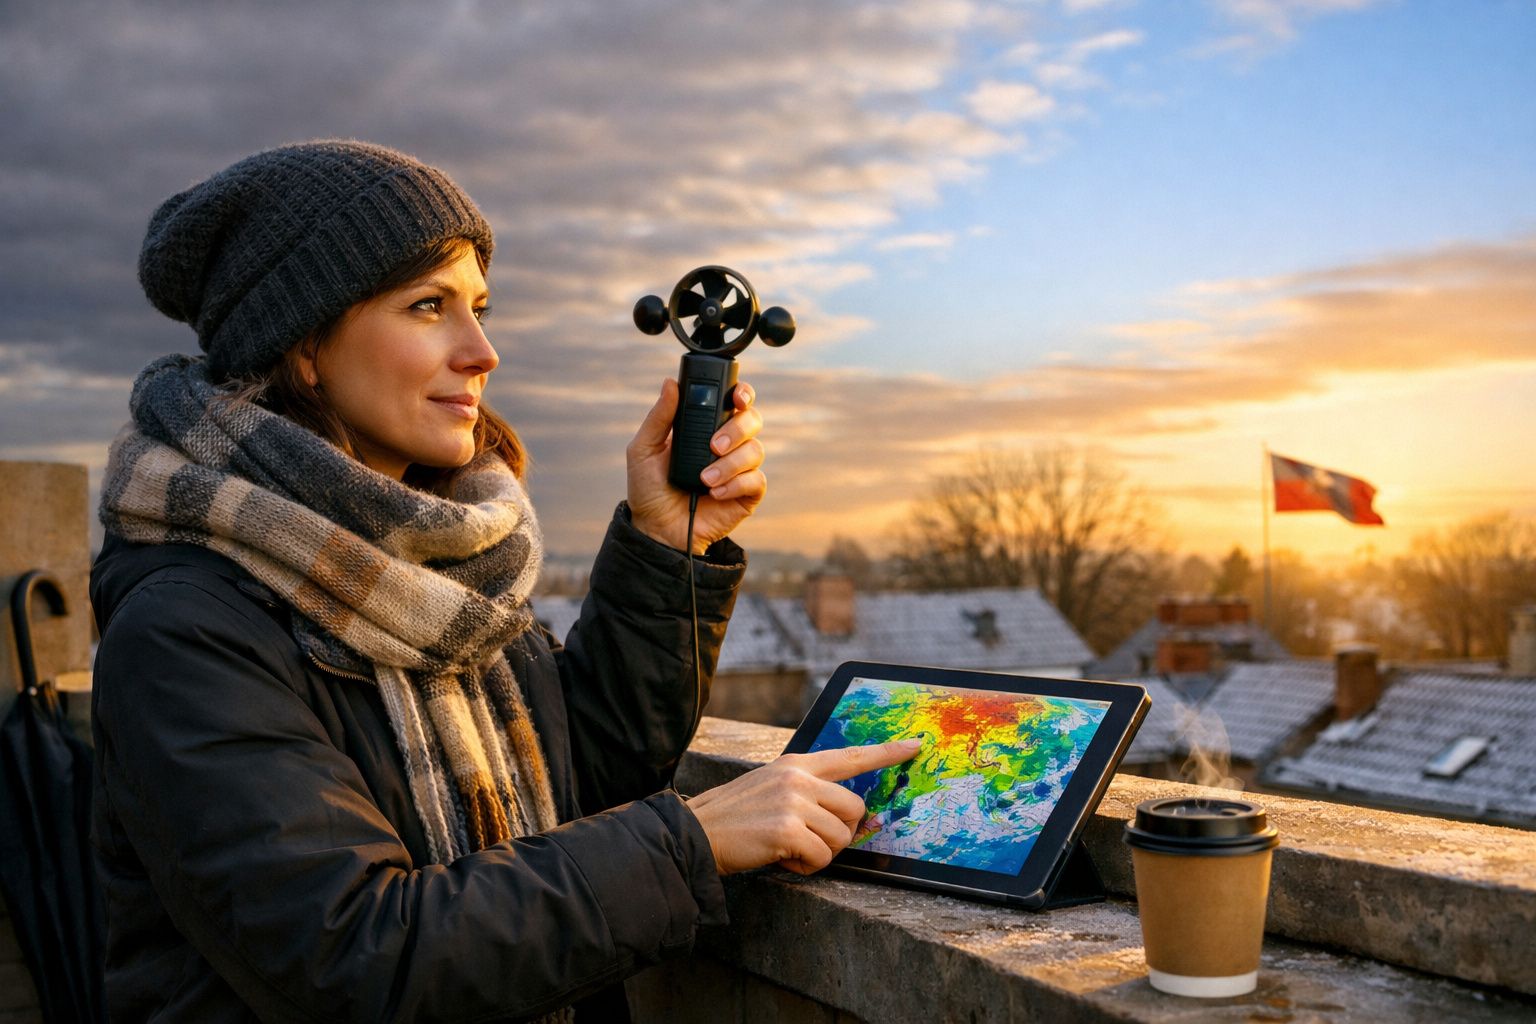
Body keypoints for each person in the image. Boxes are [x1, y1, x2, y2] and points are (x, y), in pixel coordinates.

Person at [88, 140, 920, 1022]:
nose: (482, 351)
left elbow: (584, 782)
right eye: (428, 307)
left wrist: (665, 544)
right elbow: (355, 957)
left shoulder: (449, 571)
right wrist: (696, 839)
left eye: (480, 308)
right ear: (303, 345)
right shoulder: (186, 631)